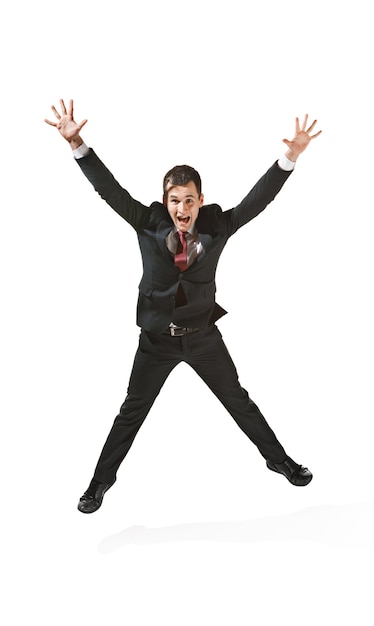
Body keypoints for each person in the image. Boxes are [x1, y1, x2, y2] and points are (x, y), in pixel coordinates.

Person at [45, 99, 322, 514]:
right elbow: (109, 190)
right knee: (130, 413)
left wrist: (289, 158)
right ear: (166, 200)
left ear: (200, 200)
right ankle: (98, 484)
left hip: (203, 338)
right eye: (175, 201)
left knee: (238, 400)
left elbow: (257, 200)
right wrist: (78, 144)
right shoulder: (147, 222)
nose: (182, 209)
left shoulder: (217, 226)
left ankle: (280, 461)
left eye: (189, 201)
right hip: (156, 341)